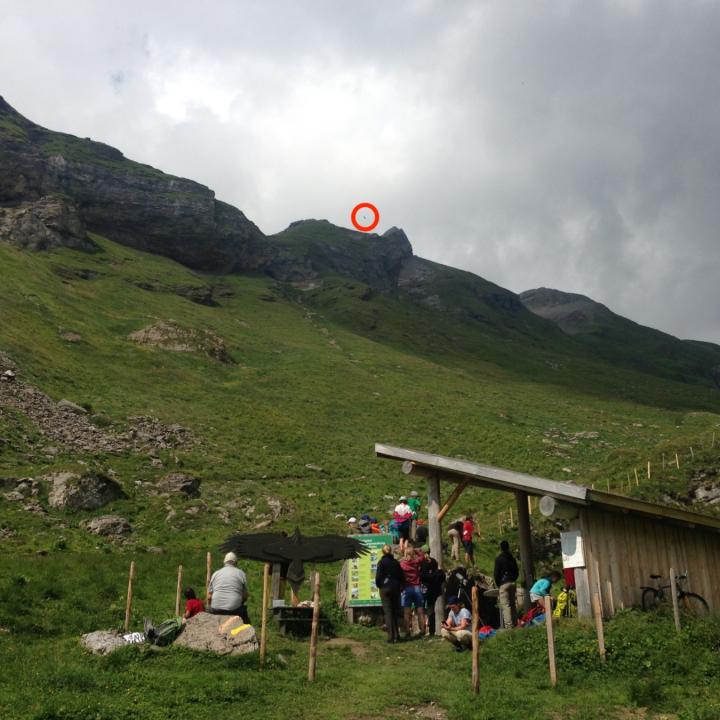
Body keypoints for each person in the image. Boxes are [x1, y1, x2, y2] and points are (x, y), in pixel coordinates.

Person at [208, 552, 250, 623]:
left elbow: (209, 596)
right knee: (245, 617)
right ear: (235, 563)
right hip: (234, 609)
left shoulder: (216, 573)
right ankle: (246, 631)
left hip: (216, 608)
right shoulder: (241, 573)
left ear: (224, 562)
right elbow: (245, 595)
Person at [375, 544, 404, 643]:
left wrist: (380, 586)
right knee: (395, 611)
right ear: (390, 551)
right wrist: (400, 586)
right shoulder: (395, 562)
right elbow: (402, 576)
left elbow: (378, 578)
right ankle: (397, 635)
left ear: (383, 552)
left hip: (385, 588)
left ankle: (391, 637)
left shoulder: (381, 562)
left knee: (388, 612)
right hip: (396, 588)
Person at [400, 547, 426, 638]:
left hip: (406, 588)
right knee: (420, 610)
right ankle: (422, 630)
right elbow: (422, 556)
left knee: (406, 612)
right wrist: (415, 551)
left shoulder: (402, 564)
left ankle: (407, 631)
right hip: (417, 588)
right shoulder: (416, 562)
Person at [493, 541, 519, 629]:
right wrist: (514, 579)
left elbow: (496, 573)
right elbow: (516, 571)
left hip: (504, 584)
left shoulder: (499, 559)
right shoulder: (512, 558)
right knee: (513, 604)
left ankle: (509, 626)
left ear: (501, 548)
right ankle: (515, 623)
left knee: (506, 605)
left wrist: (498, 583)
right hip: (512, 582)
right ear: (508, 547)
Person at [420, 554, 445, 635]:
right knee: (431, 610)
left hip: (424, 589)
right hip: (433, 591)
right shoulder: (436, 568)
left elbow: (421, 576)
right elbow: (442, 577)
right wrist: (440, 570)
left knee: (421, 610)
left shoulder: (422, 565)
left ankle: (422, 630)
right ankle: (432, 631)